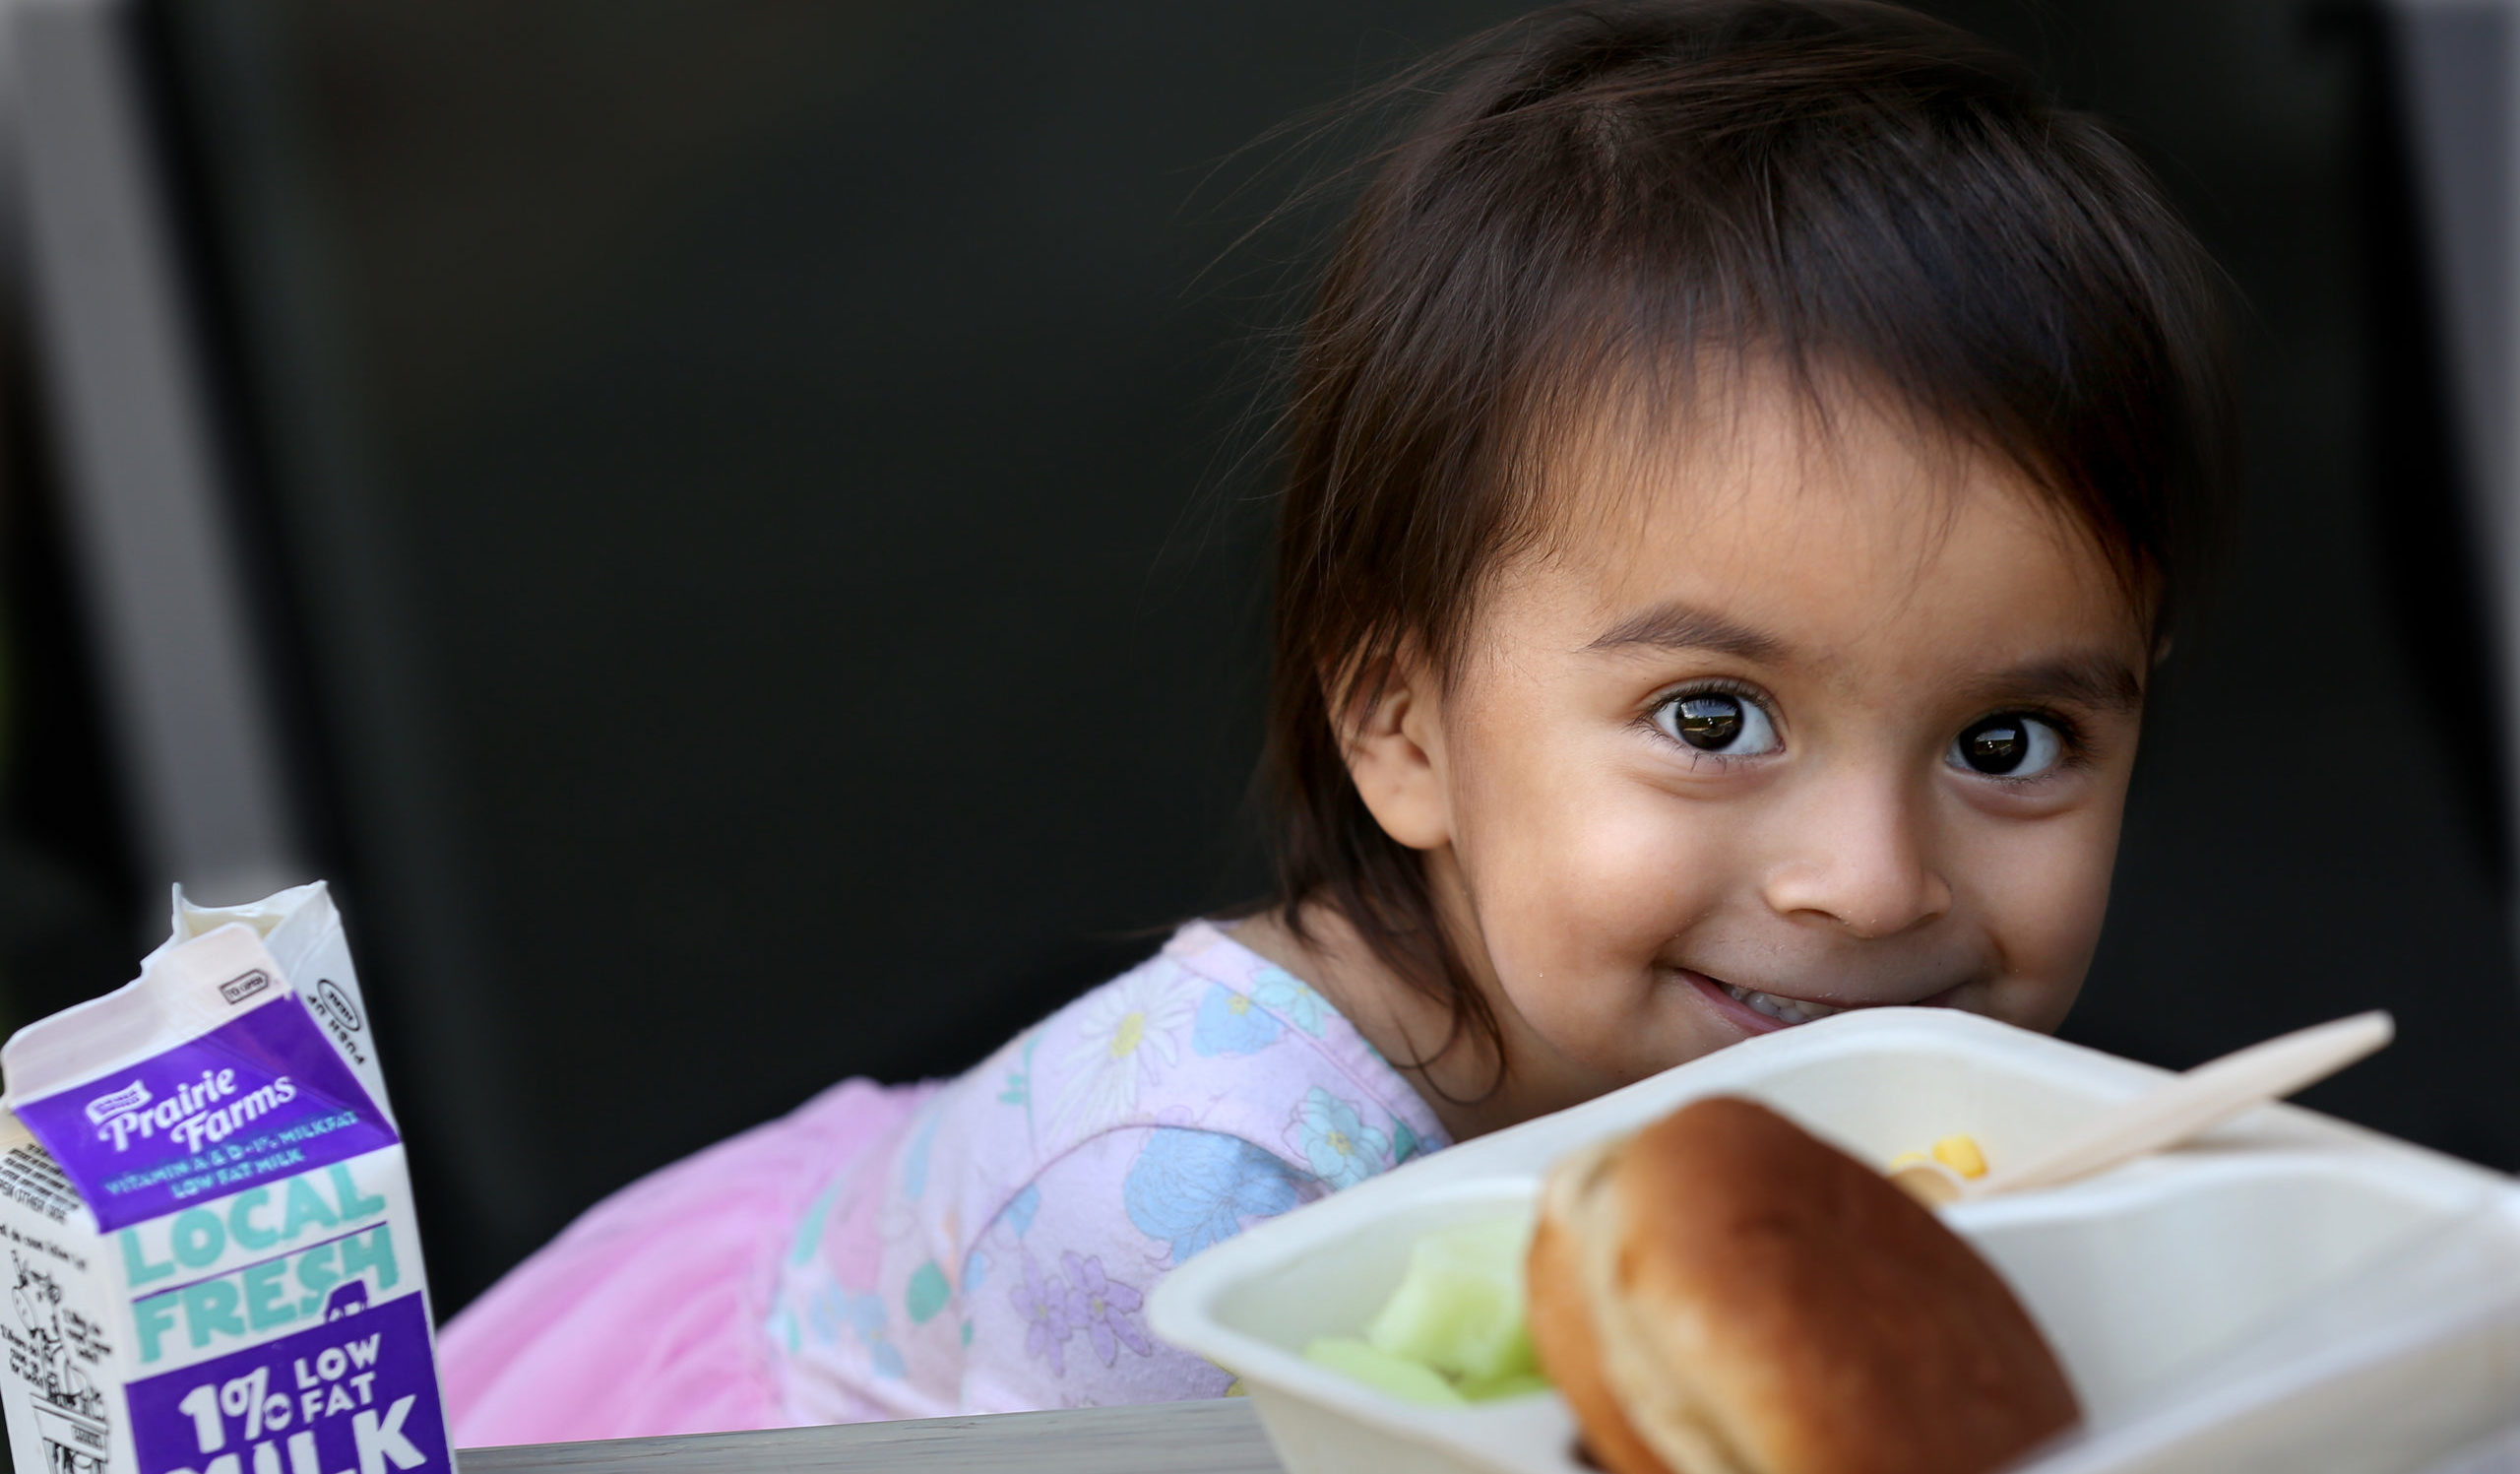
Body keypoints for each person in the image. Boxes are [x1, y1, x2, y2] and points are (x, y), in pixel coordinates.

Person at [440, 0, 2233, 1442]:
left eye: (2007, 744)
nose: (1870, 881)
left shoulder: (1873, 1078)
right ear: (1400, 725)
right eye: (1712, 714)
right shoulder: (1208, 1206)